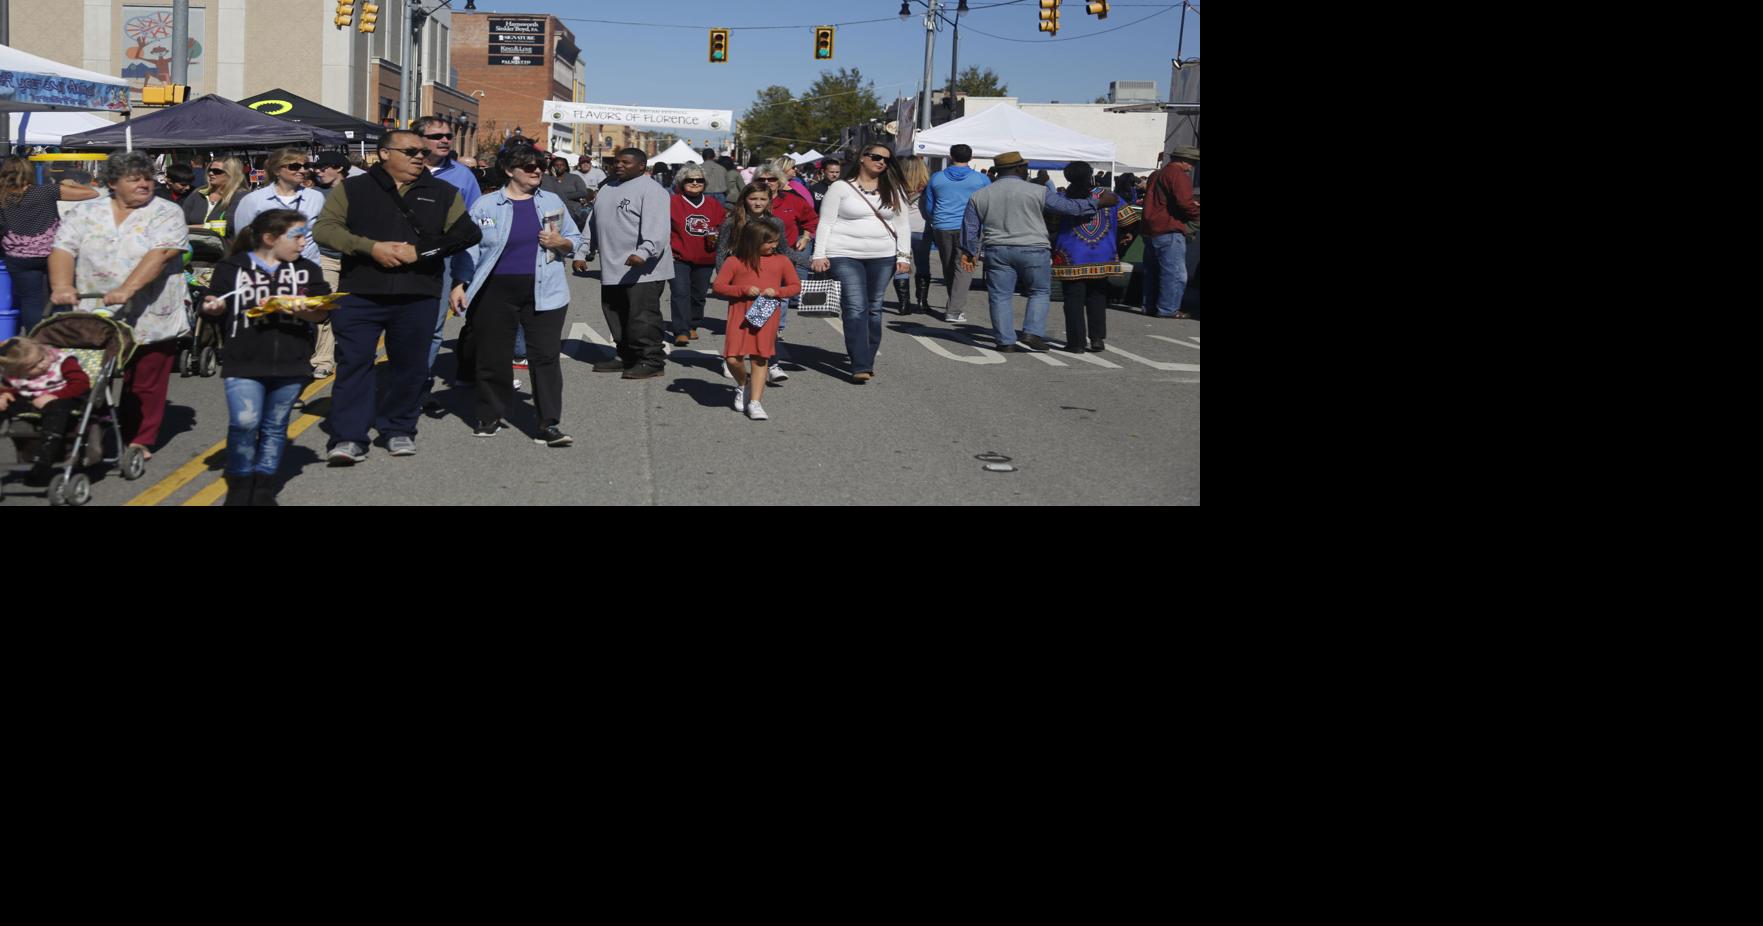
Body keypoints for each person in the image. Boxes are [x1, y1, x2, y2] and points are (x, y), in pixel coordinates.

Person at [311, 129, 482, 463]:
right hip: (360, 292)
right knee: (354, 364)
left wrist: (421, 251)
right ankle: (348, 436)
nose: (420, 157)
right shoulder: (353, 188)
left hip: (417, 293)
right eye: (411, 152)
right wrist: (370, 248)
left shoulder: (443, 192)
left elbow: (466, 234)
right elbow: (324, 229)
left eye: (423, 152)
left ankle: (398, 428)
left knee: (410, 367)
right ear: (385, 153)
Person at [48, 149, 190, 462]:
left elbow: (162, 253)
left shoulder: (166, 211)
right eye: (134, 179)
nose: (144, 184)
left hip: (150, 310)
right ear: (112, 183)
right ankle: (84, 433)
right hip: (94, 309)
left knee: (145, 381)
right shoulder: (86, 211)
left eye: (148, 178)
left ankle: (139, 439)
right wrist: (61, 286)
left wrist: (127, 288)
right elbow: (62, 248)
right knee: (87, 375)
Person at [448, 145, 582, 445]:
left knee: (545, 357)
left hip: (545, 289)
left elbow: (575, 240)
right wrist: (459, 283)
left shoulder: (551, 201)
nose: (537, 171)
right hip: (495, 290)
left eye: (540, 166)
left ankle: (548, 424)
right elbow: (468, 249)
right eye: (529, 167)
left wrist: (561, 242)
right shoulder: (485, 205)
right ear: (510, 170)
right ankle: (490, 415)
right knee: (492, 356)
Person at [198, 208, 331, 505]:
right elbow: (213, 305)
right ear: (270, 238)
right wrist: (212, 307)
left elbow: (322, 312)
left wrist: (304, 309)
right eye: (297, 236)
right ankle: (240, 480)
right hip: (243, 360)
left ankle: (264, 484)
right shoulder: (232, 268)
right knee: (245, 422)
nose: (303, 242)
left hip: (292, 361)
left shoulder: (308, 269)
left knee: (274, 425)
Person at [958, 151, 1114, 352]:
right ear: (1017, 168)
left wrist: (970, 251)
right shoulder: (1037, 191)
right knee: (1039, 291)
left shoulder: (980, 195)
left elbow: (970, 227)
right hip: (1033, 248)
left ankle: (1005, 341)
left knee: (1000, 295)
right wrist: (1098, 202)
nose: (1026, 170)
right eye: (1024, 166)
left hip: (997, 249)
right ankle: (1032, 332)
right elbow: (1068, 207)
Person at [810, 143, 912, 384]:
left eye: (886, 159)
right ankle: (860, 364)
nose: (881, 162)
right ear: (862, 158)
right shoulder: (840, 187)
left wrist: (903, 256)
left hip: (883, 256)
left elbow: (902, 224)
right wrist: (819, 254)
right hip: (844, 254)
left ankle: (867, 357)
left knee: (874, 307)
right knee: (855, 306)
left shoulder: (894, 188)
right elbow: (826, 222)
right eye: (876, 157)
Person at [232, 148, 333, 378]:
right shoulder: (254, 200)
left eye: (305, 166)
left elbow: (322, 232)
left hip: (307, 269)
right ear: (277, 170)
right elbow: (243, 237)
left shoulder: (315, 197)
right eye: (294, 166)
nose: (302, 170)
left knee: (311, 319)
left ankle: (314, 363)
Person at [409, 115, 483, 408]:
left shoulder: (463, 176)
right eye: (436, 136)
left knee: (433, 327)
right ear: (418, 140)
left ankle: (420, 387)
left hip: (444, 262)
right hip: (398, 261)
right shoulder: (401, 169)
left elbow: (475, 222)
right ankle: (399, 382)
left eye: (448, 136)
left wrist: (463, 276)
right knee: (400, 325)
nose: (444, 140)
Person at [1, 155, 102, 334]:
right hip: (53, 253)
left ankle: (36, 338)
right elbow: (92, 193)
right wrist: (70, 183)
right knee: (61, 296)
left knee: (30, 300)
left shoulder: (2, 196)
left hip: (19, 256)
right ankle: (61, 335)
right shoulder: (46, 191)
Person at [713, 222, 800, 422]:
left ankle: (755, 402)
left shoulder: (782, 261)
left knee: (760, 357)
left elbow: (795, 286)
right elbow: (718, 286)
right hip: (740, 314)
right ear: (753, 241)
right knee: (732, 358)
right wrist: (742, 290)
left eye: (776, 241)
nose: (774, 245)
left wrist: (777, 291)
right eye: (769, 242)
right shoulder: (734, 261)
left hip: (766, 313)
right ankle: (744, 384)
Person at [1050, 162, 1126, 353]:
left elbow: (1051, 225)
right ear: (1090, 175)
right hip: (1102, 254)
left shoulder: (1061, 199)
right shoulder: (1109, 196)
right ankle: (1097, 338)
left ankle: (1076, 343)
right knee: (1097, 296)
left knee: (1073, 299)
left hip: (1070, 255)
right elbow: (1129, 220)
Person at [0, 334, 92, 486]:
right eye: (33, 367)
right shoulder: (14, 372)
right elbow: (9, 386)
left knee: (58, 408)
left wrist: (55, 396)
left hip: (64, 399)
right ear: (18, 370)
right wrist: (4, 394)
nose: (42, 365)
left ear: (41, 349)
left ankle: (44, 461)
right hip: (31, 400)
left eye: (42, 359)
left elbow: (81, 383)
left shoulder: (62, 362)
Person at [922, 143, 989, 323]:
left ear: (951, 157)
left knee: (949, 266)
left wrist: (935, 219)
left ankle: (953, 305)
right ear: (971, 157)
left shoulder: (937, 178)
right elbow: (987, 205)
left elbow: (929, 206)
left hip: (942, 225)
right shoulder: (981, 180)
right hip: (970, 228)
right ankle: (954, 310)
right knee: (965, 267)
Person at [667, 164, 727, 347]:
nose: (695, 183)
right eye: (690, 180)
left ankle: (693, 323)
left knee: (699, 295)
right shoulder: (672, 202)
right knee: (680, 292)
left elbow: (723, 227)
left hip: (705, 257)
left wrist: (717, 236)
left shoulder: (713, 204)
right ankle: (681, 330)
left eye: (699, 180)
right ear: (681, 182)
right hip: (678, 257)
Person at [1140, 145, 1200, 319]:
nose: (1192, 167)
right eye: (1192, 162)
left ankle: (1149, 306)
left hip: (1151, 228)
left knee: (1152, 272)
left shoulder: (1156, 174)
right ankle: (1168, 309)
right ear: (1183, 160)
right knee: (1174, 273)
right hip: (1168, 228)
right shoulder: (1178, 175)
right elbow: (1185, 203)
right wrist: (1197, 214)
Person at [896, 156, 933, 315]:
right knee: (923, 264)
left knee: (901, 264)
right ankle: (922, 302)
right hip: (922, 228)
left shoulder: (896, 186)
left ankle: (904, 304)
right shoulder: (927, 187)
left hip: (900, 229)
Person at [183, 155, 248, 238]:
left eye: (216, 171)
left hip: (224, 245)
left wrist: (192, 228)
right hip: (192, 243)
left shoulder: (240, 196)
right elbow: (181, 221)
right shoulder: (198, 193)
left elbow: (229, 225)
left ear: (231, 174)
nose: (210, 173)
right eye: (210, 170)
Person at [541, 155, 591, 232]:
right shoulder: (547, 179)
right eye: (556, 165)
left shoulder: (574, 177)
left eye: (562, 165)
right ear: (551, 167)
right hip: (553, 212)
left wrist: (564, 196)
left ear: (566, 167)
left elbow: (583, 192)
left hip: (573, 211)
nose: (559, 167)